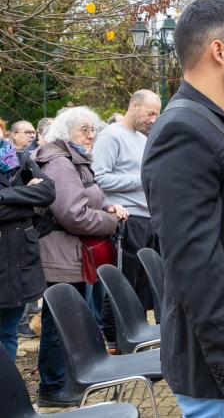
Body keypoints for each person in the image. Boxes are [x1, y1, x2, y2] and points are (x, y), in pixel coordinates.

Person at [32, 106, 128, 407]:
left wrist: (106, 208)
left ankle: (67, 380)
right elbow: (73, 214)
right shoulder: (60, 163)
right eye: (83, 129)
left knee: (69, 318)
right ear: (65, 132)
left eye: (93, 129)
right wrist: (109, 220)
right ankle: (52, 387)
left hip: (72, 253)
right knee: (58, 322)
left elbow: (88, 199)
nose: (91, 135)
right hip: (60, 253)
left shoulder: (73, 158)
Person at [92, 89, 162, 340]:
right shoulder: (111, 136)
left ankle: (136, 335)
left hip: (147, 219)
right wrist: (141, 179)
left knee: (143, 287)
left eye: (157, 114)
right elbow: (98, 178)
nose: (153, 119)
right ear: (133, 106)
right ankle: (112, 338)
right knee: (123, 284)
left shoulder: (143, 140)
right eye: (150, 112)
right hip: (126, 220)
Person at [0, 139, 55, 359]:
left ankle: (8, 391)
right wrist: (27, 201)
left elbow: (48, 192)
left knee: (8, 333)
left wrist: (5, 196)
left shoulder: (19, 160)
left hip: (20, 262)